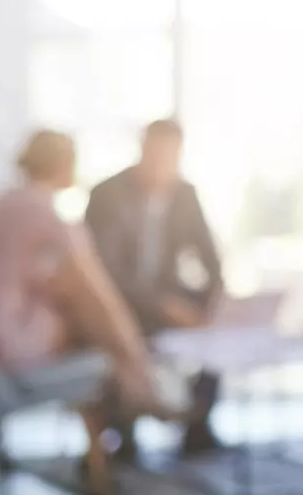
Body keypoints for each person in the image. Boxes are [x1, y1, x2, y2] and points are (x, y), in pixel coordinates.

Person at [0, 130, 182, 420]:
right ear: (66, 164)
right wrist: (132, 351)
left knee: (64, 292)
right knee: (84, 308)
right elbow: (96, 289)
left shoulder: (0, 203)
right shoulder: (40, 209)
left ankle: (130, 397)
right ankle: (142, 384)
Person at [85, 118, 225, 457]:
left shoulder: (184, 193)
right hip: (117, 299)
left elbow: (208, 253)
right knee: (119, 334)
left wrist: (216, 297)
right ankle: (123, 433)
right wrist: (163, 306)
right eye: (156, 153)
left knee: (214, 330)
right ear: (143, 149)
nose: (163, 163)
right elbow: (107, 272)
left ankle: (197, 425)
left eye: (170, 156)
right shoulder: (108, 194)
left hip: (167, 292)